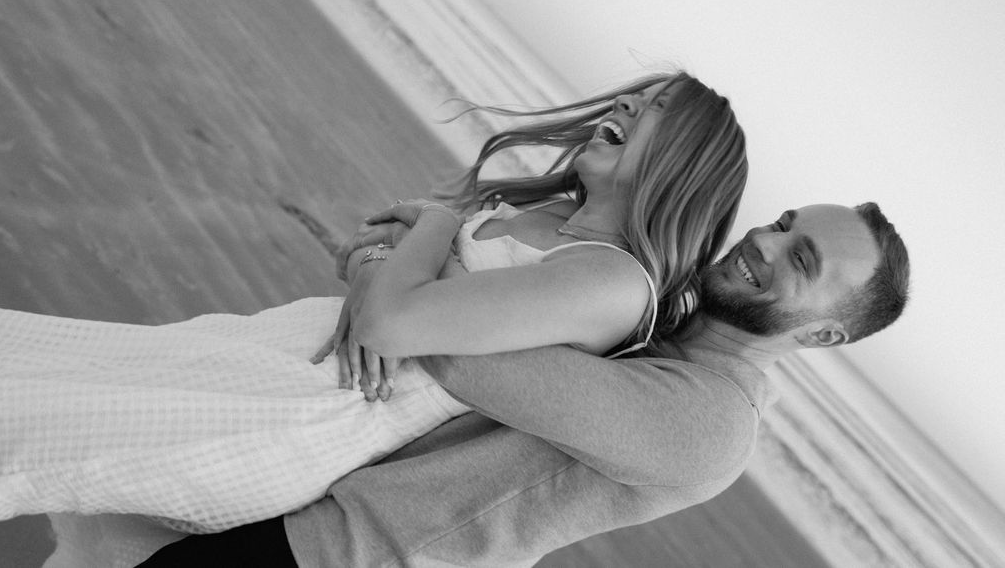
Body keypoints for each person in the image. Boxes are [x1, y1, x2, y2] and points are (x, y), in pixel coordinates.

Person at [0, 71, 748, 565]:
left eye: (649, 114)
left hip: (304, 416)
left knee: (26, 436)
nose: (622, 106)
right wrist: (385, 268)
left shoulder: (613, 282)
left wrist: (437, 229)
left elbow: (392, 323)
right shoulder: (553, 216)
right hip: (272, 357)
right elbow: (367, 253)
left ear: (682, 161)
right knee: (30, 376)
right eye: (633, 96)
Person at [141, 200, 909, 567]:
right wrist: (390, 261)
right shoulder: (664, 321)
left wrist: (425, 238)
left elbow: (447, 345)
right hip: (310, 501)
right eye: (782, 223)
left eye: (801, 259)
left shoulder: (710, 423)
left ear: (824, 333)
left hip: (343, 554)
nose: (765, 242)